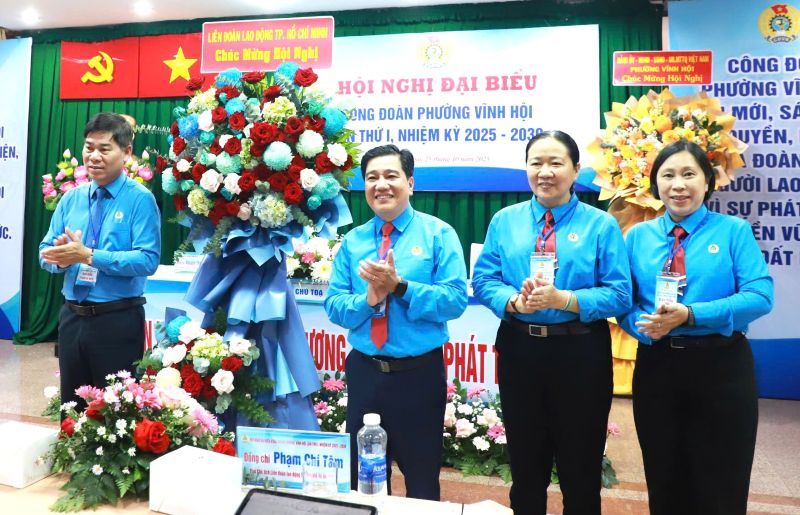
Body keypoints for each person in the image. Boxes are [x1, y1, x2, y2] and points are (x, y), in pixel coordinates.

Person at [472, 130, 632, 515]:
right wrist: (513, 301)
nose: (545, 172)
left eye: (555, 163)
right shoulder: (505, 221)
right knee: (526, 464)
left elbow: (620, 294)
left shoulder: (600, 225)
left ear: (576, 170)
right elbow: (484, 279)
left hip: (581, 352)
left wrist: (567, 300)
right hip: (521, 349)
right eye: (536, 163)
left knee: (581, 465)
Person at [618, 140, 773, 515]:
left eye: (689, 174)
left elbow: (760, 296)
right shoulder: (638, 236)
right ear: (655, 184)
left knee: (722, 481)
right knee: (664, 476)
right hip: (657, 367)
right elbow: (623, 302)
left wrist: (690, 314)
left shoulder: (733, 231)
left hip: (721, 368)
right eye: (668, 175)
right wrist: (644, 328)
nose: (678, 185)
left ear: (707, 181)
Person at [324, 144, 467, 500]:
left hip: (419, 375)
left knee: (421, 479)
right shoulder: (353, 241)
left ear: (410, 183)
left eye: (391, 175)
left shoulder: (438, 234)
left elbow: (454, 300)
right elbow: (335, 306)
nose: (381, 185)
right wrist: (369, 299)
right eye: (372, 177)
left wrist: (400, 287)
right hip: (365, 371)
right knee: (364, 477)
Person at [40, 112, 161, 409]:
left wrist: (89, 256)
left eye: (104, 149)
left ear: (126, 152)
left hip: (116, 320)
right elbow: (45, 250)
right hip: (72, 318)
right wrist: (61, 258)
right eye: (89, 147)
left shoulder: (140, 199)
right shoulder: (72, 198)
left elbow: (147, 259)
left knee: (114, 413)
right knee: (73, 407)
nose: (94, 156)